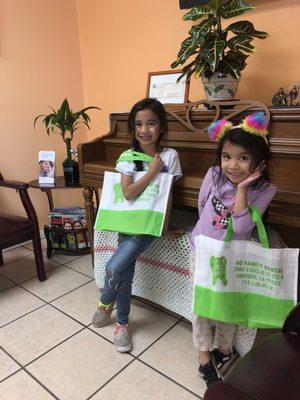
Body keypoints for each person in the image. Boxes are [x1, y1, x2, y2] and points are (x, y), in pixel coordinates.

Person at [190, 112, 277, 387]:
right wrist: (205, 235)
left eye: (242, 157)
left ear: (258, 162)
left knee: (229, 305)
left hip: (234, 255)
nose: (233, 165)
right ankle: (205, 357)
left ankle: (224, 351)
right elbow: (202, 205)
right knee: (201, 305)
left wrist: (241, 189)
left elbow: (241, 228)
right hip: (202, 248)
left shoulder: (265, 189)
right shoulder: (213, 174)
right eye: (227, 156)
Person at [92, 98, 184, 353]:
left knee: (114, 266)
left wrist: (164, 227)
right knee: (124, 272)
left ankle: (105, 301)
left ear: (162, 126)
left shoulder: (170, 156)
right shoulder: (126, 157)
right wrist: (152, 172)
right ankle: (122, 323)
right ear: (133, 129)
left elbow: (168, 195)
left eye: (151, 123)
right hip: (127, 222)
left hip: (148, 226)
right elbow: (129, 193)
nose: (144, 130)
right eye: (139, 124)